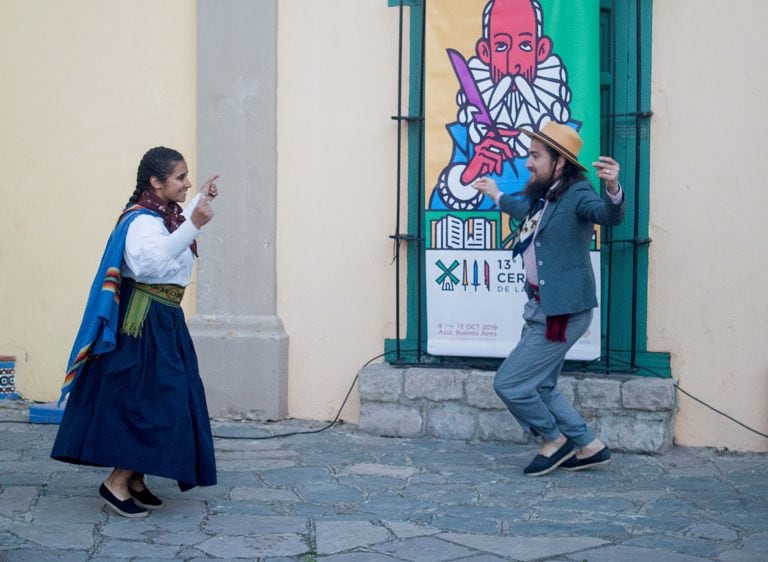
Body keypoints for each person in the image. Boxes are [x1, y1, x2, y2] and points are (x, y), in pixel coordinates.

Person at [51, 147, 219, 517]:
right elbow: (152, 262)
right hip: (144, 323)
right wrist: (195, 224)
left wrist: (199, 202)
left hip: (164, 318)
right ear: (155, 183)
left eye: (187, 176)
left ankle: (135, 477)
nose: (186, 182)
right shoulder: (142, 221)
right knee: (157, 402)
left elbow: (172, 241)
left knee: (154, 398)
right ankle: (116, 482)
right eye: (180, 177)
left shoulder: (165, 216)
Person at [473, 122, 624, 476]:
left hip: (562, 313)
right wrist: (496, 195)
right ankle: (588, 445)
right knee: (541, 385)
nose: (528, 162)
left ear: (560, 163)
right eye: (529, 154)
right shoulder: (547, 196)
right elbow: (526, 216)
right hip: (543, 307)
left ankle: (553, 440)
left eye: (535, 156)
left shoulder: (578, 194)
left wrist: (613, 188)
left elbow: (608, 215)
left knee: (509, 383)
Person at [429, 0, 574, 211]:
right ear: (485, 53)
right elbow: (436, 211)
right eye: (501, 46)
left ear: (541, 50)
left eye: (525, 46)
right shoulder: (464, 135)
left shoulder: (567, 136)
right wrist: (469, 174)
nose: (513, 65)